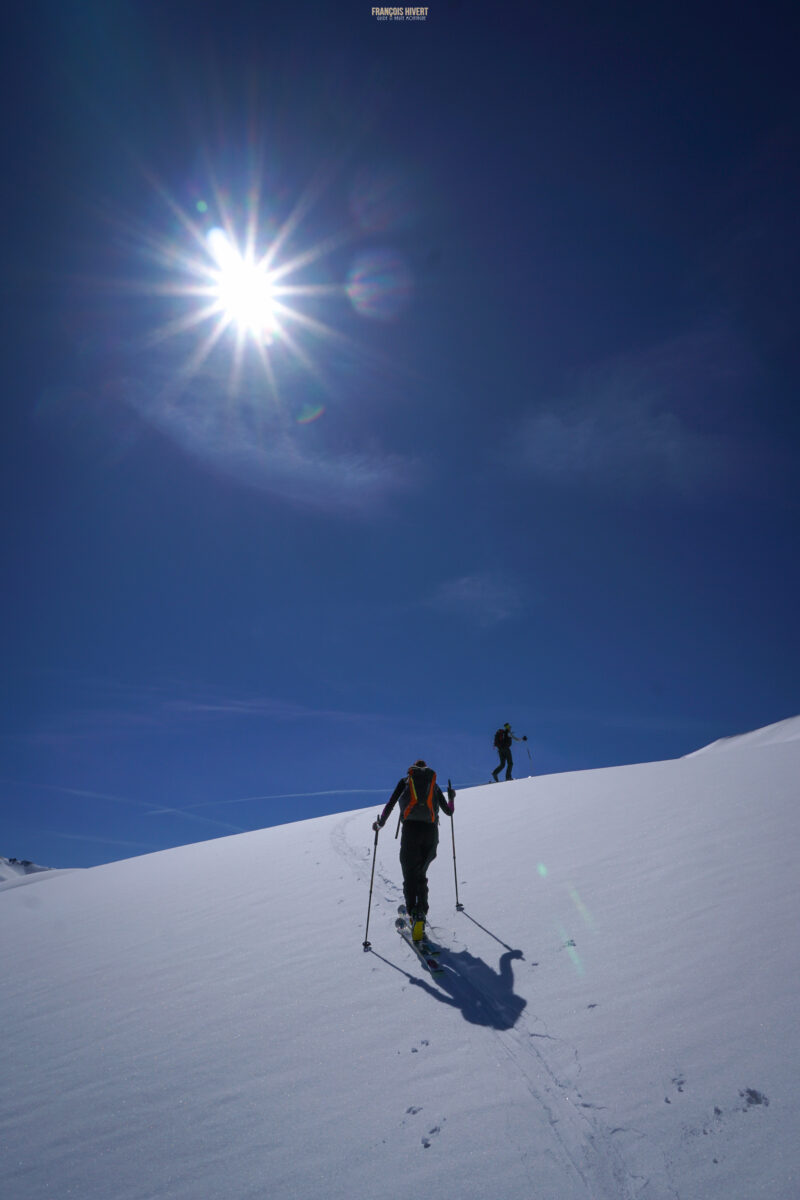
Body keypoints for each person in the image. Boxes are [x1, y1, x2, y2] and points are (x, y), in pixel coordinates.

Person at [373, 760, 455, 941]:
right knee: (421, 875)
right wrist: (451, 799)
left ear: (412, 770)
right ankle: (422, 912)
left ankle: (413, 912)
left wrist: (380, 823)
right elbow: (449, 812)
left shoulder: (405, 782)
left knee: (410, 874)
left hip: (411, 831)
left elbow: (391, 804)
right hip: (431, 833)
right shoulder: (433, 786)